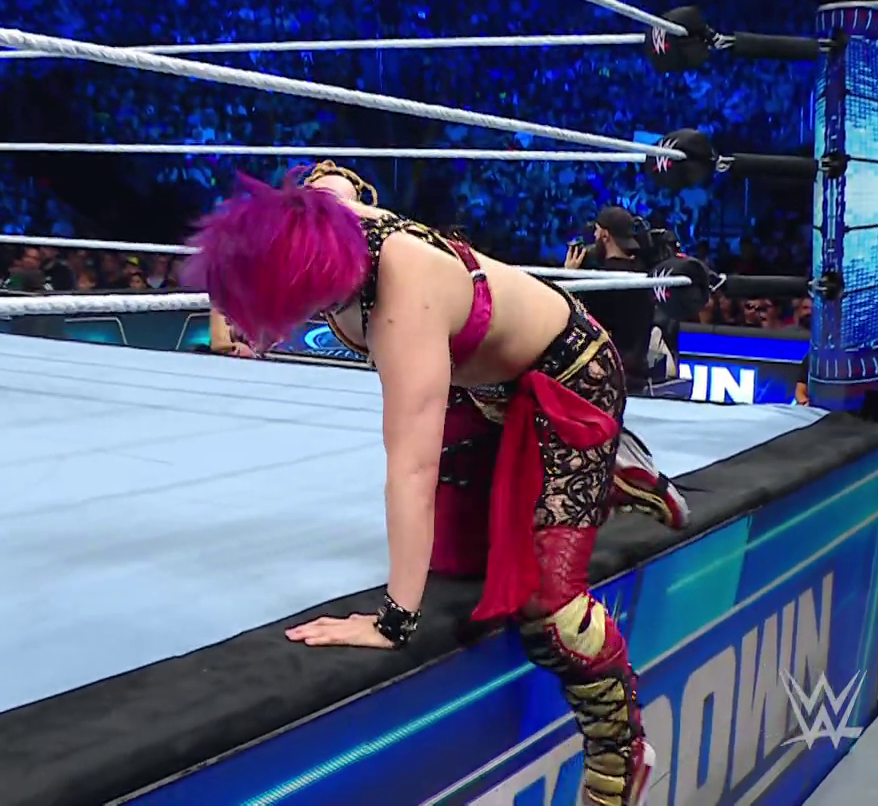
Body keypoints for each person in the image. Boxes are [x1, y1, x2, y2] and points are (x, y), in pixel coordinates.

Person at [182, 162, 690, 806]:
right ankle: (609, 475)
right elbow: (334, 180)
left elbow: (411, 466)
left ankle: (620, 752)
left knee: (546, 605)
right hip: (482, 386)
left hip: (571, 379)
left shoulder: (403, 296)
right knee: (458, 562)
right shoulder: (317, 219)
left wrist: (393, 621)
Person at [566, 206, 655, 390]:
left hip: (607, 377)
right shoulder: (642, 273)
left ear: (605, 236)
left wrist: (569, 276)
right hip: (636, 371)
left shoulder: (601, 282)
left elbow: (577, 321)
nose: (594, 236)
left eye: (596, 231)